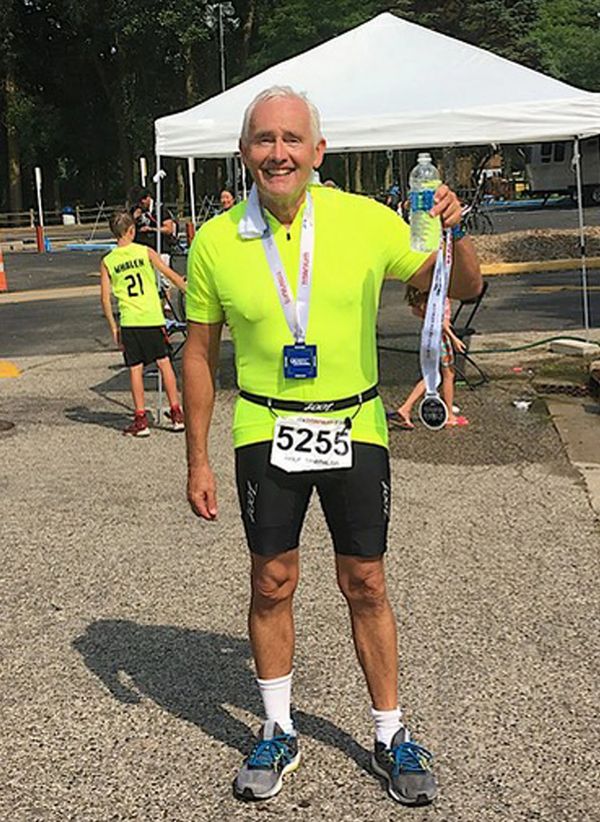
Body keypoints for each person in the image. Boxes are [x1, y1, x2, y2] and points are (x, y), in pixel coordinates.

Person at [183, 86, 482, 806]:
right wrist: (196, 458)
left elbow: (459, 286)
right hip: (266, 427)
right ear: (245, 152)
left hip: (355, 423)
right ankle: (278, 727)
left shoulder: (366, 219)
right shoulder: (215, 241)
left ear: (318, 151)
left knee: (367, 582)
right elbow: (197, 353)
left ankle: (390, 733)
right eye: (264, 139)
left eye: (292, 139)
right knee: (271, 581)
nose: (278, 152)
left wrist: (455, 232)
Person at [100, 209, 187, 437]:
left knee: (135, 368)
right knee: (164, 363)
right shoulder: (145, 251)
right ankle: (176, 413)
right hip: (151, 317)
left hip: (130, 320)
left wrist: (114, 328)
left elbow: (105, 299)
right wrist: (188, 289)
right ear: (132, 230)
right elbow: (169, 273)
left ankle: (140, 418)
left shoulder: (108, 261)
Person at [392, 286, 469, 429]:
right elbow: (441, 321)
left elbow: (416, 311)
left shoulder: (427, 296)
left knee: (432, 374)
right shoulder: (439, 295)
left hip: (429, 336)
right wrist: (454, 339)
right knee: (448, 374)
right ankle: (449, 415)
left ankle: (405, 408)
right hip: (441, 338)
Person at [127, 186, 178, 252]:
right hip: (140, 247)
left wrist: (151, 229)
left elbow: (169, 229)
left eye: (142, 203)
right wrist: (133, 218)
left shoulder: (160, 209)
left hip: (160, 247)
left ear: (148, 198)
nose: (140, 205)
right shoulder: (135, 209)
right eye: (138, 203)